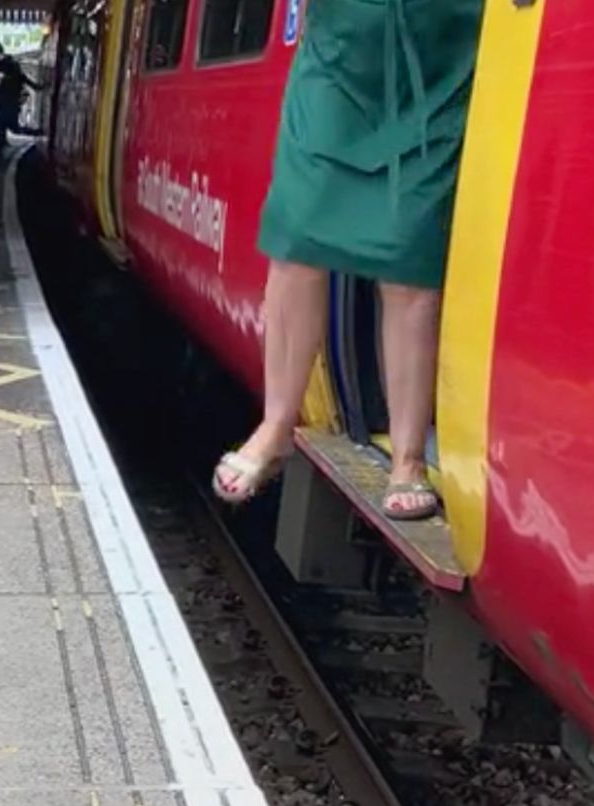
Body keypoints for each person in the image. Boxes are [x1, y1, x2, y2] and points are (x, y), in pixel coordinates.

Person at [210, 0, 481, 521]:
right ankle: (276, 424)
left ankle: (406, 459)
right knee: (297, 241)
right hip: (334, 72)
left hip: (441, 63)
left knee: (409, 264)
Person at [0, 42, 41, 185]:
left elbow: (1, 83)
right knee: (5, 131)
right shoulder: (9, 64)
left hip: (7, 104)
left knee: (6, 129)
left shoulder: (6, 65)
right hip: (6, 104)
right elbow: (23, 79)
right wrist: (36, 87)